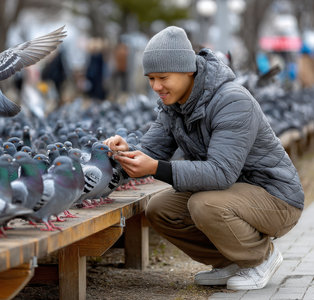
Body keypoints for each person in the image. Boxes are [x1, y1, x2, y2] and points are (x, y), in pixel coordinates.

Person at [104, 26, 304, 290]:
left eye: (162, 77)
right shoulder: (173, 103)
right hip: (234, 191)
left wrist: (155, 168)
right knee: (159, 209)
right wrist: (126, 151)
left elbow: (220, 174)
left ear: (189, 70)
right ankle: (230, 262)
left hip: (275, 197)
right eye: (150, 78)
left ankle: (260, 258)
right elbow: (152, 149)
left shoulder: (232, 101)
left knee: (204, 204)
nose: (156, 87)